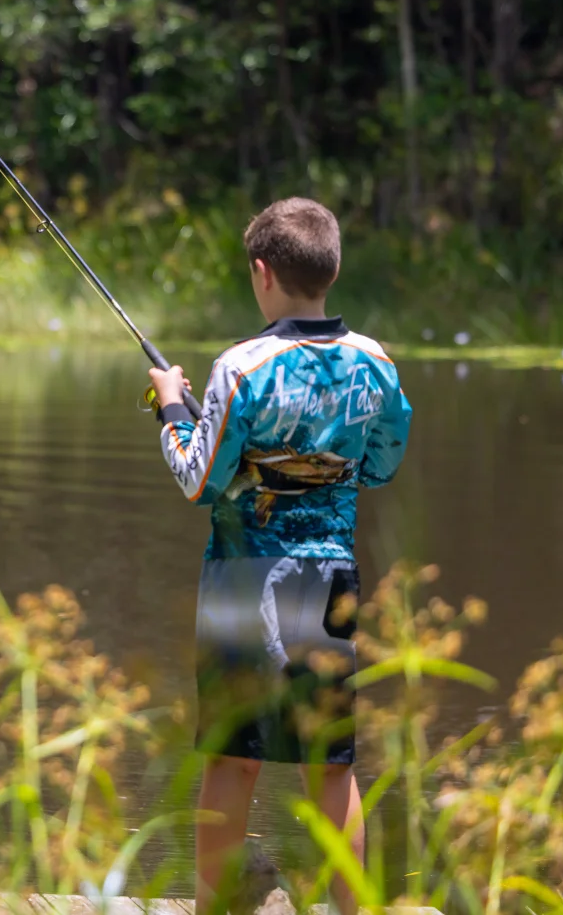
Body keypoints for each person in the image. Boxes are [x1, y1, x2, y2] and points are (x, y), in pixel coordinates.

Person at [146, 197, 411, 915]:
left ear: (261, 272)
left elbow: (198, 479)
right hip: (329, 578)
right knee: (330, 764)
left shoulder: (241, 364)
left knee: (233, 758)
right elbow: (380, 464)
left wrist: (173, 408)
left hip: (244, 577)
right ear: (331, 268)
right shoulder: (374, 362)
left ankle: (212, 907)